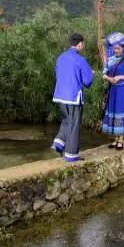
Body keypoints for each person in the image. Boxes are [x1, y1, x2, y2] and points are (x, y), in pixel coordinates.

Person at [51, 33, 94, 162]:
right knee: (74, 124)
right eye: (83, 43)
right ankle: (71, 155)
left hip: (60, 95)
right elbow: (87, 81)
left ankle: (58, 144)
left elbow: (60, 74)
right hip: (73, 96)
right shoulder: (80, 59)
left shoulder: (60, 58)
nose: (83, 45)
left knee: (66, 121)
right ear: (80, 44)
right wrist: (91, 73)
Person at [101, 32, 124, 149]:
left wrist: (120, 77)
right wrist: (110, 79)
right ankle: (115, 140)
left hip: (122, 90)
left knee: (120, 112)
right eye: (114, 48)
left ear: (123, 48)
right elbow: (104, 75)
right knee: (114, 112)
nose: (116, 50)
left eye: (118, 48)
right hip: (113, 89)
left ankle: (121, 140)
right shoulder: (109, 60)